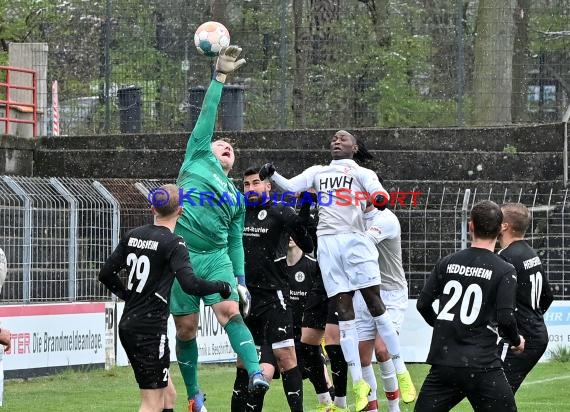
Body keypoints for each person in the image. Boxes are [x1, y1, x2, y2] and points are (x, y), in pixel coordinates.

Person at [259, 130, 405, 412]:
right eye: (334, 138)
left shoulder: (381, 216)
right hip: (336, 263)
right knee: (345, 342)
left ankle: (396, 395)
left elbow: (376, 204)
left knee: (381, 347)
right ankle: (354, 399)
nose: (336, 140)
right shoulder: (320, 178)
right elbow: (291, 189)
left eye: (344, 138)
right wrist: (274, 176)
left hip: (388, 288)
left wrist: (377, 198)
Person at [167, 45, 269, 412]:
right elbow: (208, 116)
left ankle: (256, 374)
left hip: (214, 259)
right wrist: (220, 77)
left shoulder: (236, 196)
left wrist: (239, 278)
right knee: (186, 330)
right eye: (220, 143)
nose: (226, 145)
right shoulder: (196, 155)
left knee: (231, 313)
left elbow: (235, 241)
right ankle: (195, 396)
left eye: (230, 147)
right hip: (181, 256)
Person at [98, 184, 232, 412]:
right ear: (181, 210)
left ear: (152, 208)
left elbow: (105, 274)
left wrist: (128, 296)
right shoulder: (174, 242)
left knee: (169, 394)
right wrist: (221, 286)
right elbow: (191, 285)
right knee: (151, 403)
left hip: (130, 324)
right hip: (150, 330)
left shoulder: (133, 235)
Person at [415, 200, 525, 412]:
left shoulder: (447, 262)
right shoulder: (504, 270)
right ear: (501, 228)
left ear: (470, 225)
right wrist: (516, 340)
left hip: (445, 364)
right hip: (482, 365)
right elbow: (506, 319)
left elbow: (423, 304)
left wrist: (441, 324)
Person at [231, 167, 313, 412]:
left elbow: (307, 244)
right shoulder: (238, 213)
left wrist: (305, 210)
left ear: (268, 186)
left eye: (256, 183)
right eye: (246, 184)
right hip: (245, 297)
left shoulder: (281, 212)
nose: (250, 188)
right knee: (244, 362)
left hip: (274, 295)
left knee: (286, 357)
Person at [354, 202, 416, 412]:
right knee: (362, 356)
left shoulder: (386, 219)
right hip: (363, 291)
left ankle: (393, 408)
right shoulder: (352, 216)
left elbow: (363, 243)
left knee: (382, 350)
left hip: (391, 293)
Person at [498, 203, 553, 393]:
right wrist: (531, 316)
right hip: (537, 335)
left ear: (504, 226)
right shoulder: (530, 253)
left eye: (498, 218)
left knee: (496, 394)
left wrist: (518, 328)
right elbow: (547, 296)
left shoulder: (505, 257)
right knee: (497, 394)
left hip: (520, 340)